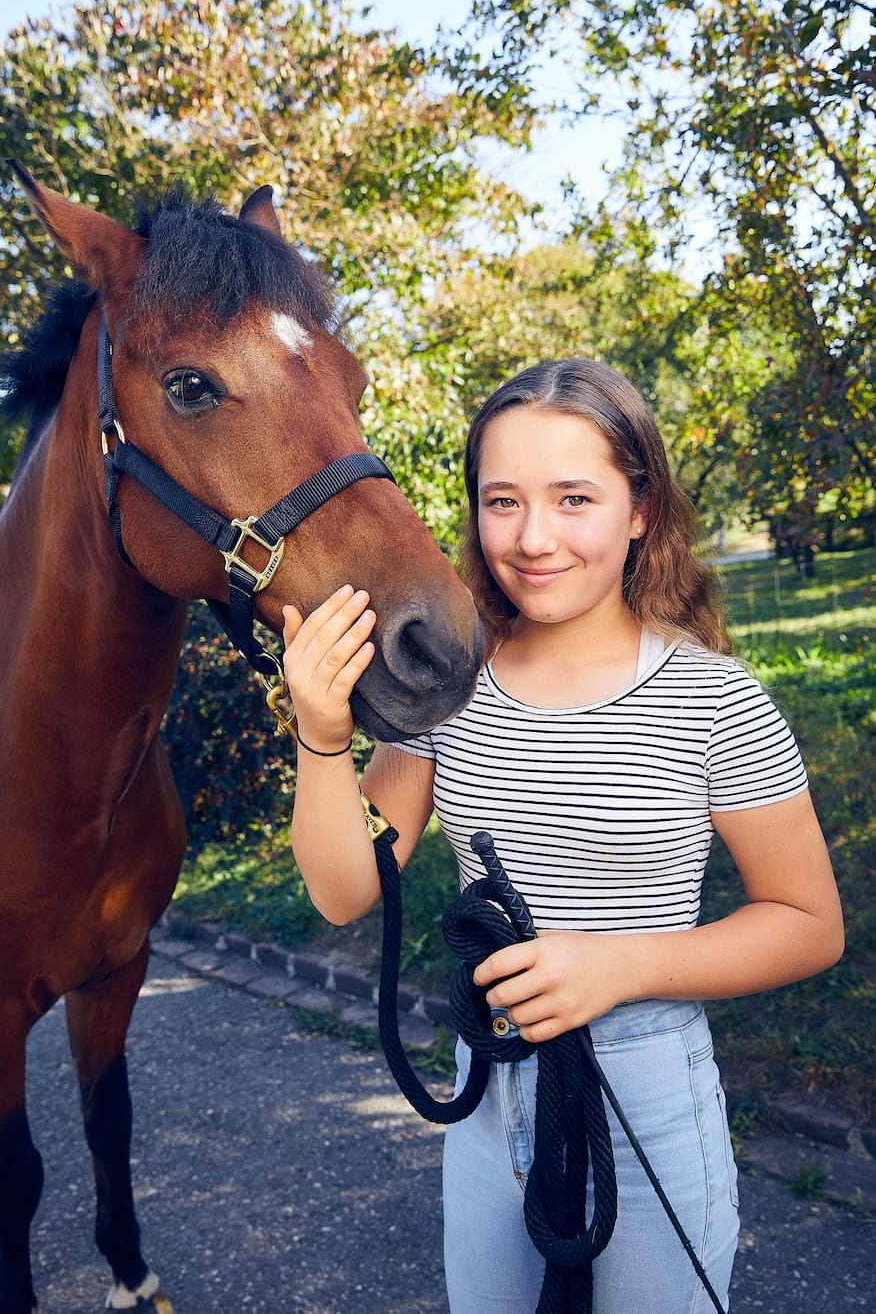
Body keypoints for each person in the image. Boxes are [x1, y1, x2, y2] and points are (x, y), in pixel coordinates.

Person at [282, 358, 844, 1313]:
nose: (533, 538)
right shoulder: (447, 687)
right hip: (489, 1086)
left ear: (639, 511)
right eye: (503, 501)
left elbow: (807, 921)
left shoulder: (714, 701)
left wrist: (615, 967)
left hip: (649, 1092)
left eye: (573, 497)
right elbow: (345, 890)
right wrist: (323, 735)